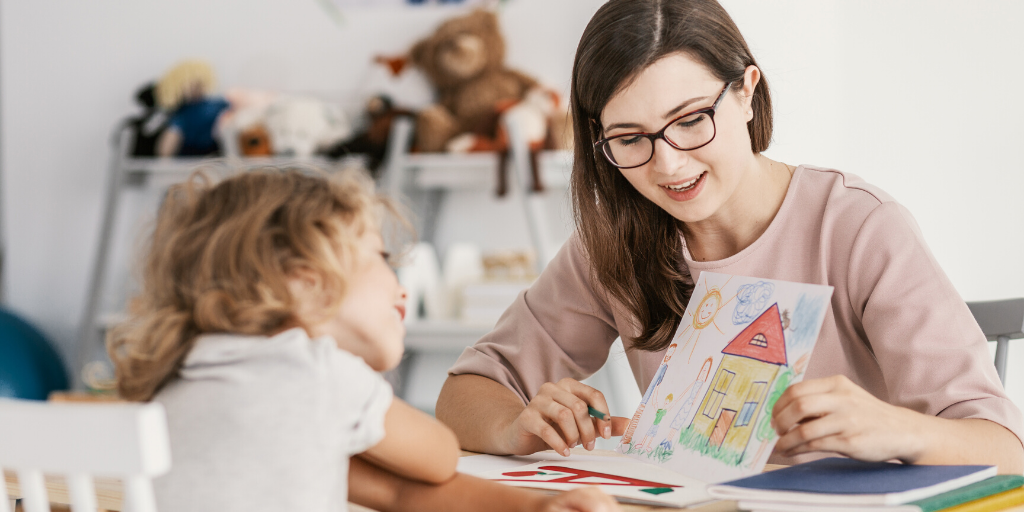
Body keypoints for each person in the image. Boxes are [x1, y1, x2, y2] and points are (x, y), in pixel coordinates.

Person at [437, 0, 1024, 472]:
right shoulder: (613, 243)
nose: (668, 166)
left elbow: (1004, 448)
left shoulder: (856, 225)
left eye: (691, 120)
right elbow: (468, 392)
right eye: (630, 138)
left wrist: (896, 427)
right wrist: (515, 425)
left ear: (745, 91)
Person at [107, 167, 619, 512]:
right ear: (304, 280)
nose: (399, 281)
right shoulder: (319, 374)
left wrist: (537, 506)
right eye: (380, 257)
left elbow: (395, 491)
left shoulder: (182, 378)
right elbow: (439, 458)